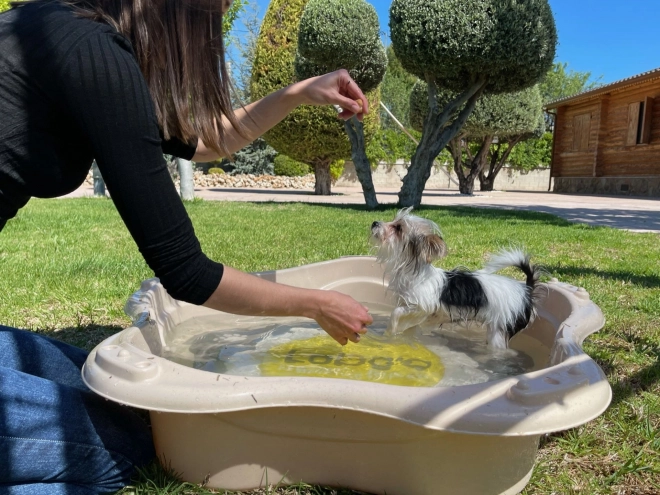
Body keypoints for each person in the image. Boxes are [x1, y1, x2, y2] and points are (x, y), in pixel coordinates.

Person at [0, 0, 373, 492]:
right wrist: (315, 304)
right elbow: (186, 272)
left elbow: (202, 141)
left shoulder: (53, 31)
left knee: (125, 404)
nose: (211, 32)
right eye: (212, 14)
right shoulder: (90, 51)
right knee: (126, 448)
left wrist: (297, 93)